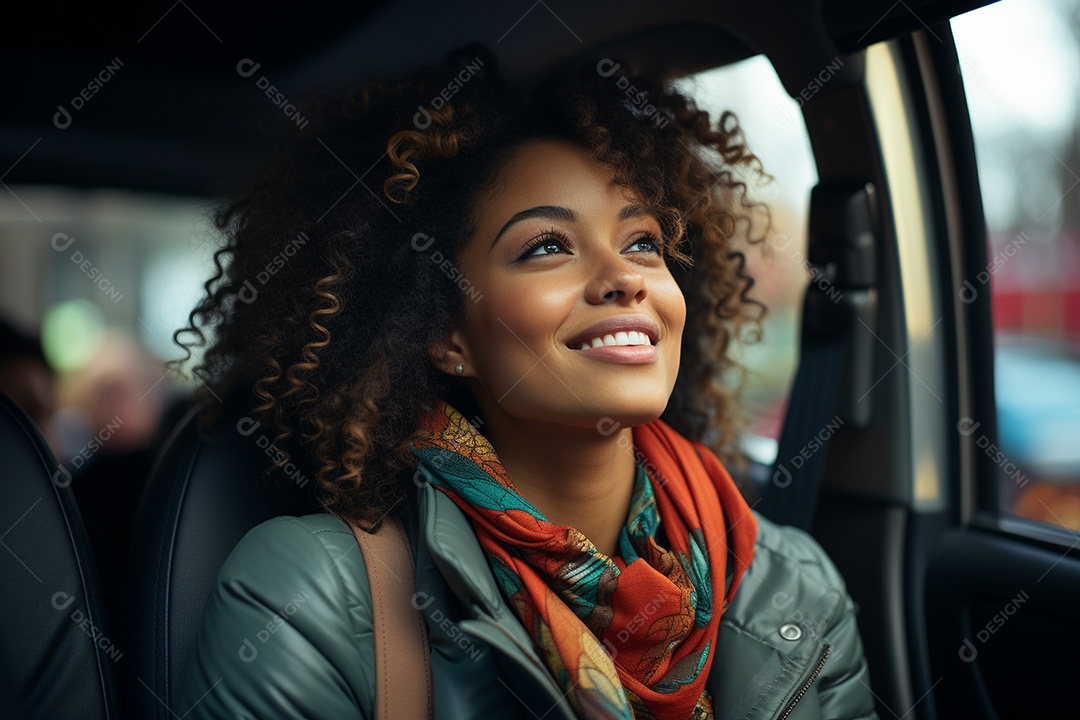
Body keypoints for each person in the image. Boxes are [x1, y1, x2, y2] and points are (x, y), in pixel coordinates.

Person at [176, 48, 878, 719]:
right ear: (444, 333)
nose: (624, 277)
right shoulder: (311, 597)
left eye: (642, 242)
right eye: (547, 247)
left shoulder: (793, 587)